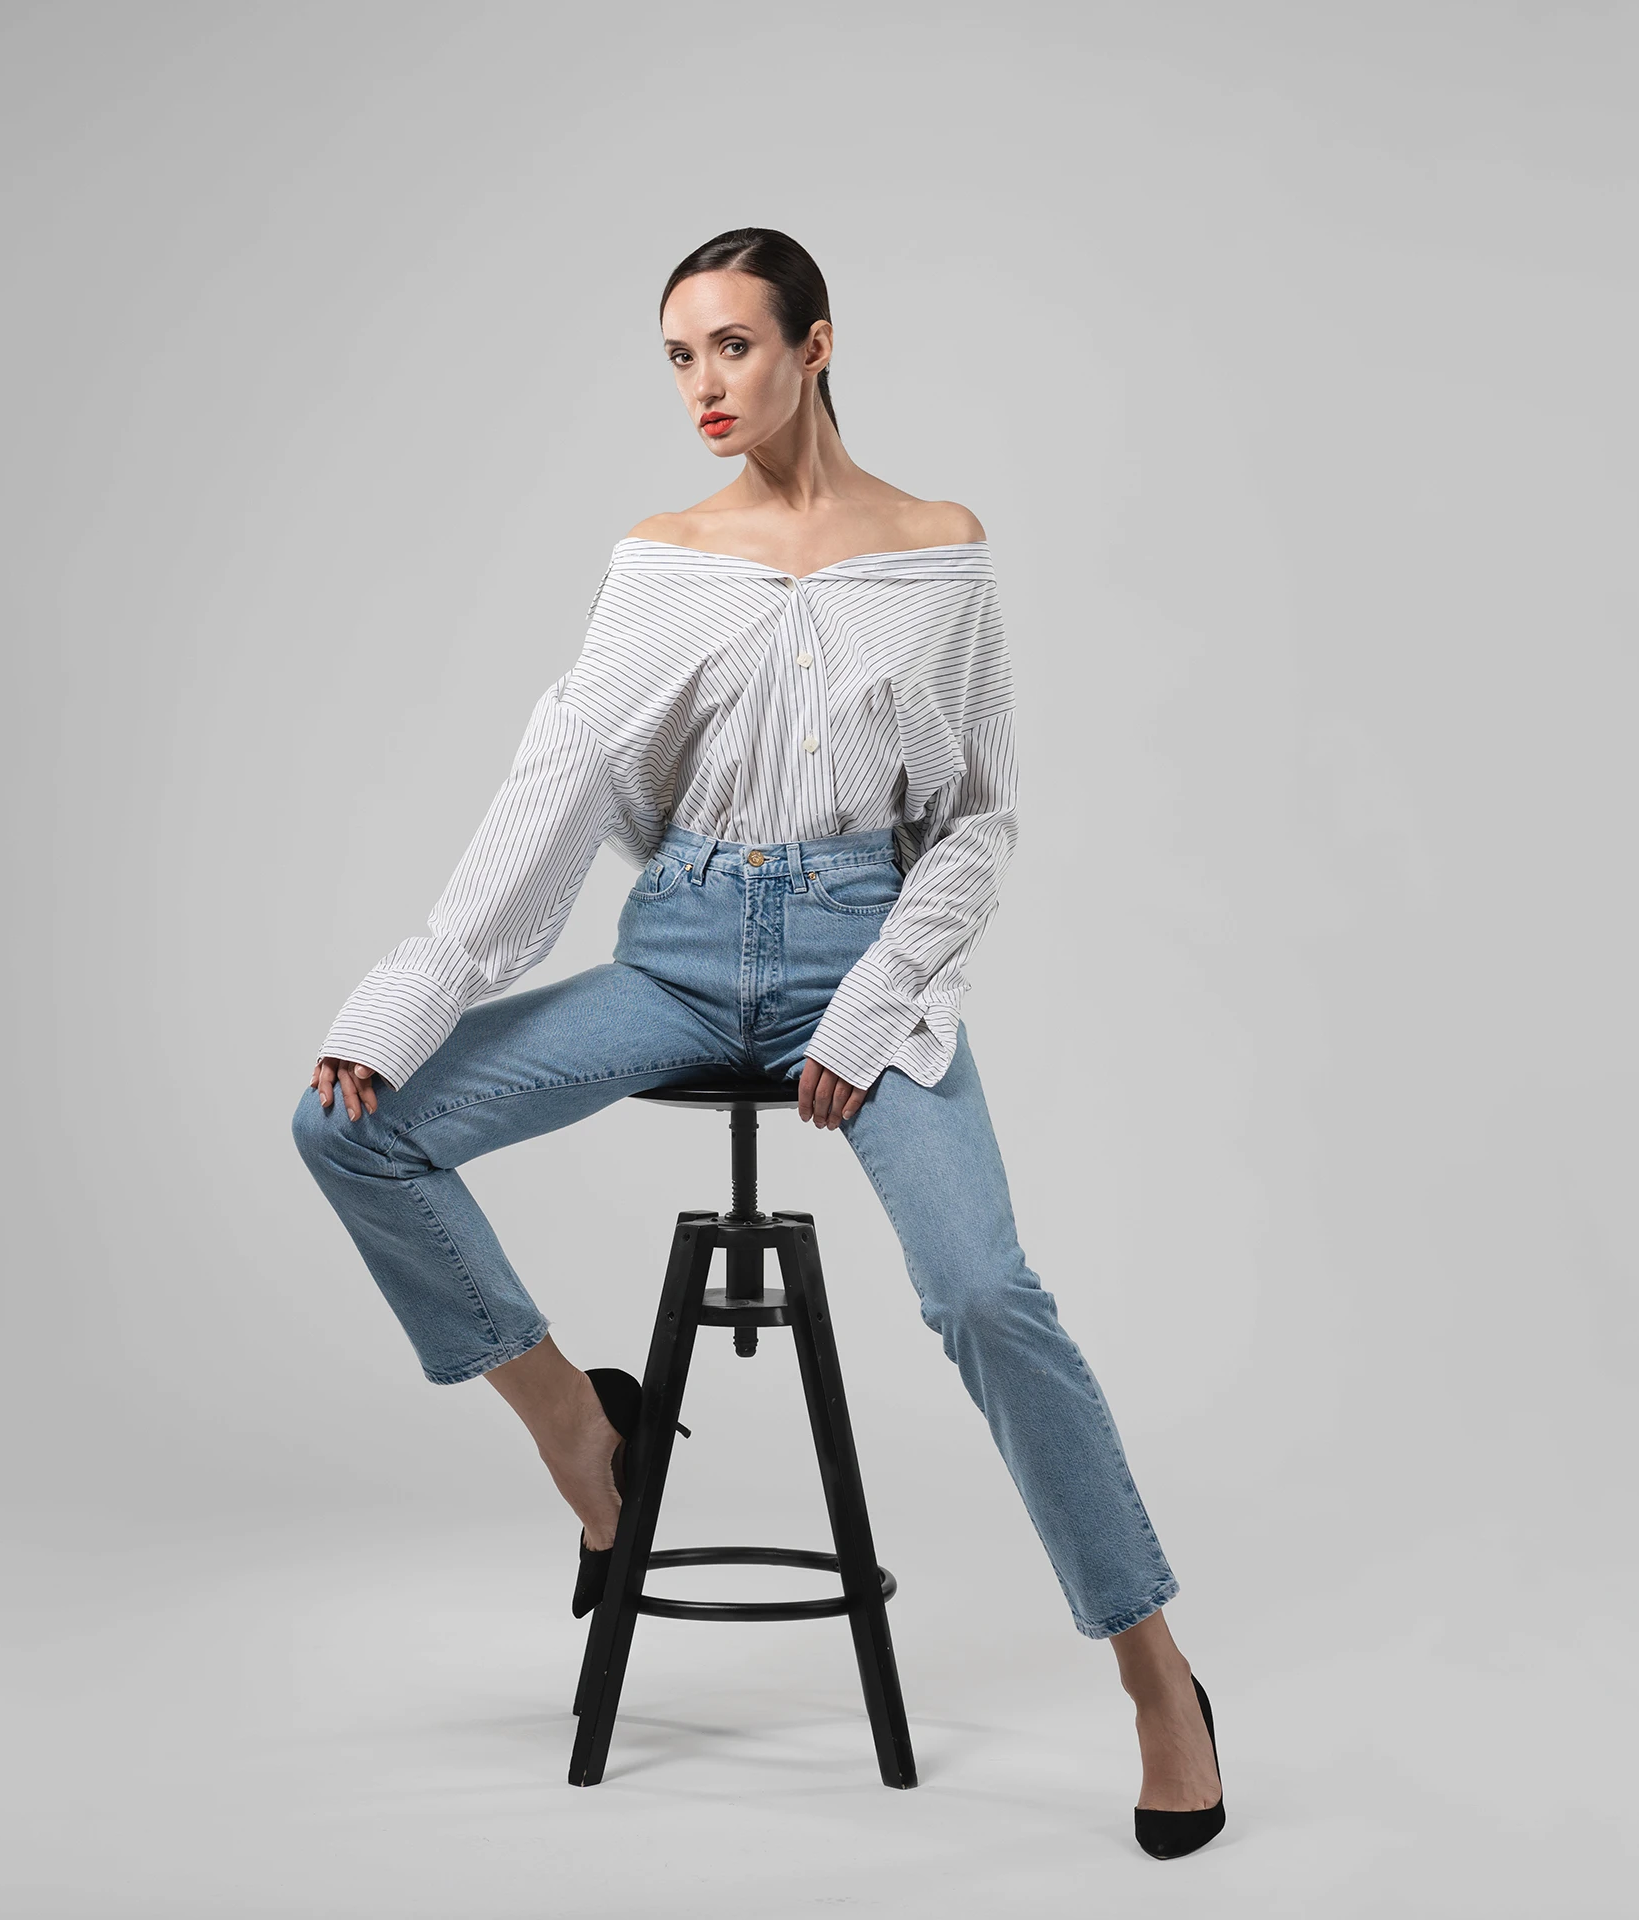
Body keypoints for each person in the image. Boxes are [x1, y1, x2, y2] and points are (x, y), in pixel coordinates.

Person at [292, 227, 1227, 1857]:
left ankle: (1157, 1676)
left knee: (988, 1294)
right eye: (676, 356)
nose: (703, 386)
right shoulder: (659, 559)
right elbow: (559, 791)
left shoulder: (940, 558)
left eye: (731, 346)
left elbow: (981, 824)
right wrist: (409, 999)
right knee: (346, 1129)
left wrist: (870, 1011)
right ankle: (582, 1432)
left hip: (859, 960)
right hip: (673, 961)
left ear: (815, 344)